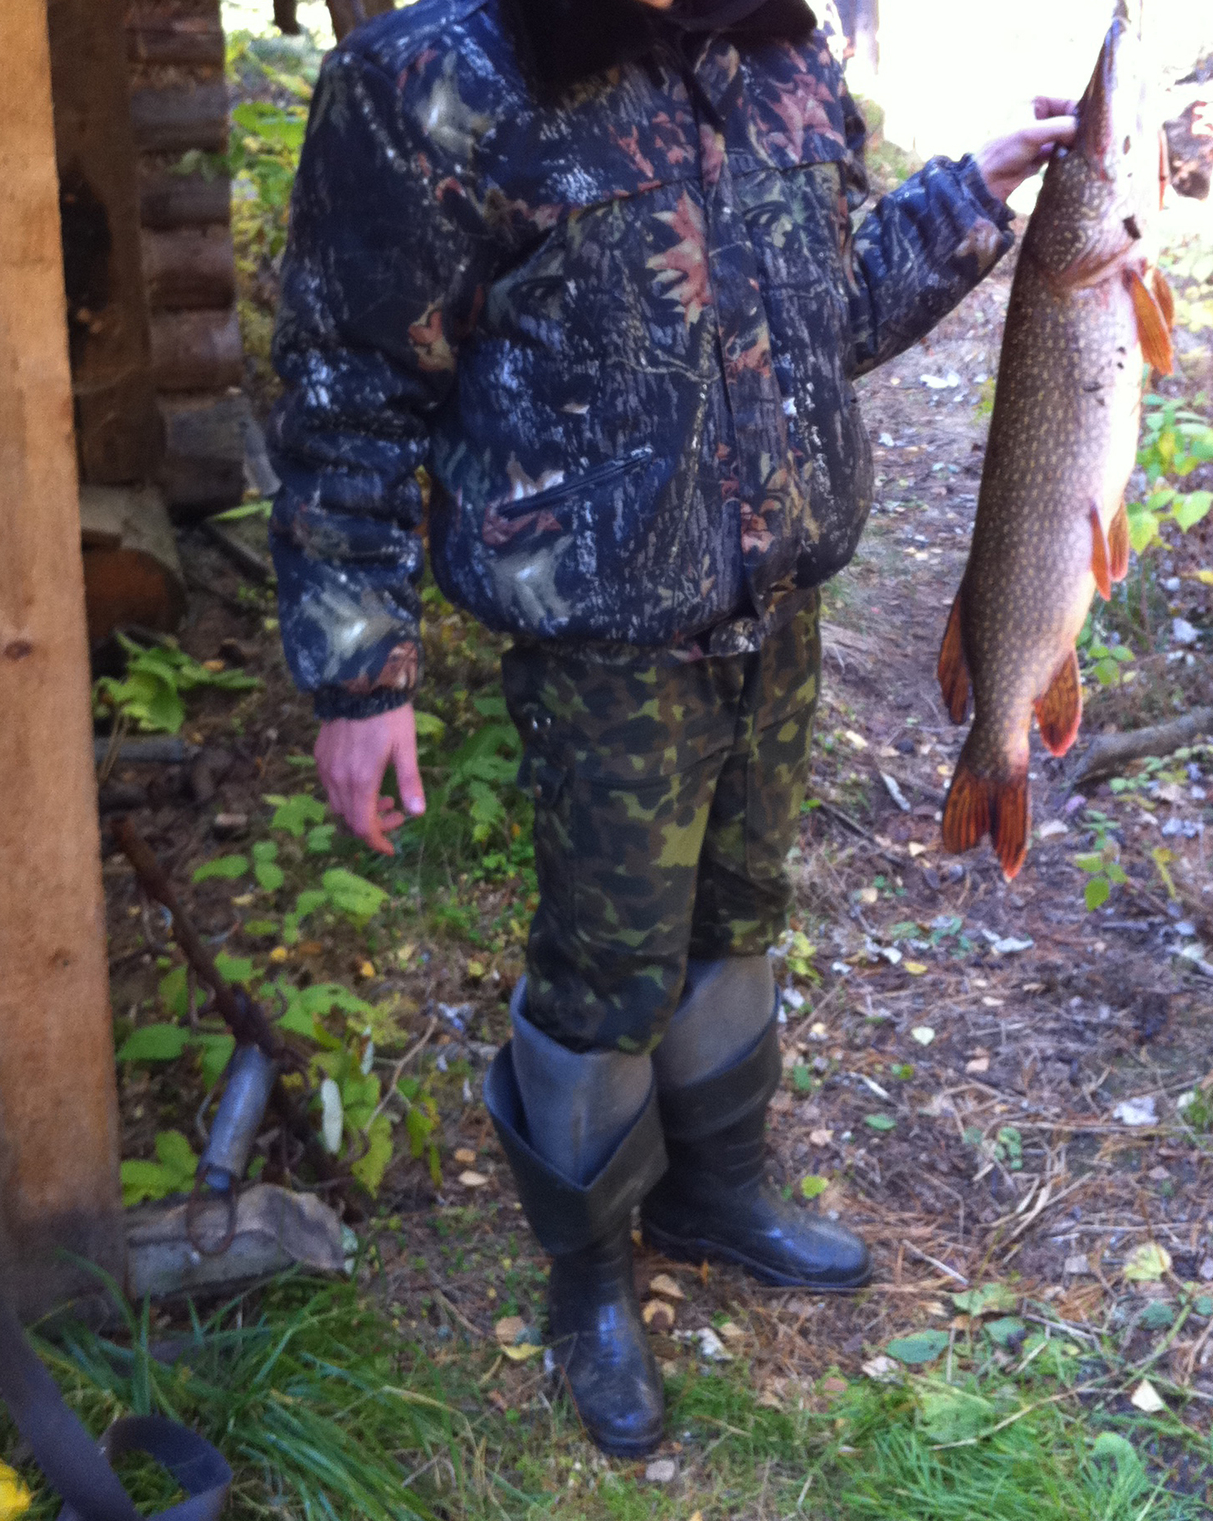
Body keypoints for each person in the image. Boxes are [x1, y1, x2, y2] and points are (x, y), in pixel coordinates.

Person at [269, 0, 1075, 1457]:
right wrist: (358, 667)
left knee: (741, 916)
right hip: (598, 641)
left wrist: (976, 192)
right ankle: (590, 1270)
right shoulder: (433, 81)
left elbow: (832, 311)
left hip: (775, 609)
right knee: (606, 970)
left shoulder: (775, 51)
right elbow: (349, 387)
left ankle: (716, 1189)